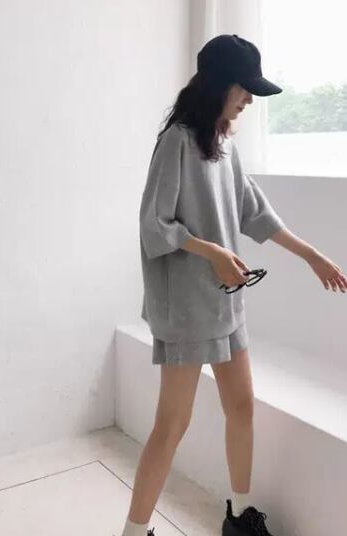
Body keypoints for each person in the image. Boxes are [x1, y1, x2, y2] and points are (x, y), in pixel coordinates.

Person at [121, 34, 347, 536]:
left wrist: (312, 256)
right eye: (244, 89)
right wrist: (215, 252)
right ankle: (134, 532)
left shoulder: (224, 145)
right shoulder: (177, 141)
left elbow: (255, 213)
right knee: (172, 426)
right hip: (186, 308)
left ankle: (241, 518)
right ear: (219, 83)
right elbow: (154, 225)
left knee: (241, 407)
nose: (248, 100)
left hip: (225, 303)